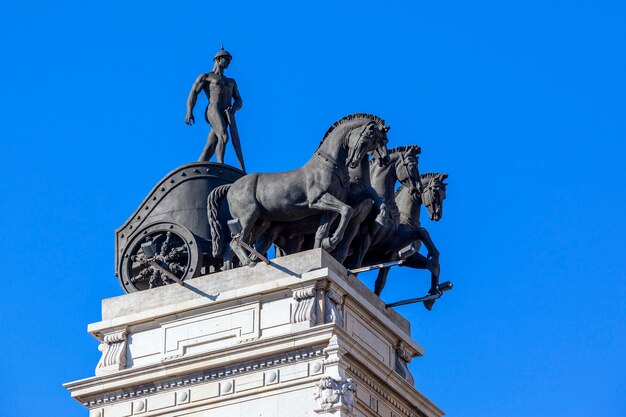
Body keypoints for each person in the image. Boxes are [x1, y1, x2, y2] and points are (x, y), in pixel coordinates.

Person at [185, 47, 245, 172]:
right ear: (218, 59)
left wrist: (234, 108)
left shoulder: (231, 81)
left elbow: (239, 100)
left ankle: (198, 166)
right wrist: (189, 112)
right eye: (226, 59)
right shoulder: (206, 77)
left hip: (226, 112)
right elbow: (194, 93)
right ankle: (220, 165)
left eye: (230, 59)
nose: (229, 61)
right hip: (213, 108)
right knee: (223, 136)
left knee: (211, 145)